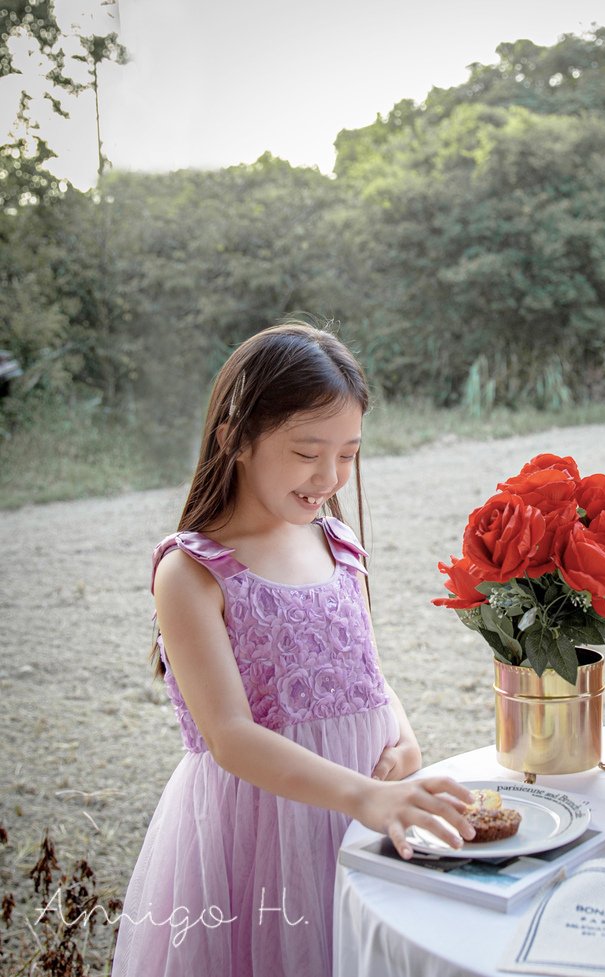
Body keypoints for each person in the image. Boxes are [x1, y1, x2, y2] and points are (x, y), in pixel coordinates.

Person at [111, 321, 475, 976]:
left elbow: (366, 671)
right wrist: (364, 797)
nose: (330, 476)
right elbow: (230, 736)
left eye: (348, 453)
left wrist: (406, 738)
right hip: (263, 830)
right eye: (308, 451)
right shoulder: (193, 572)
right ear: (236, 437)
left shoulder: (337, 544)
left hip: (362, 808)